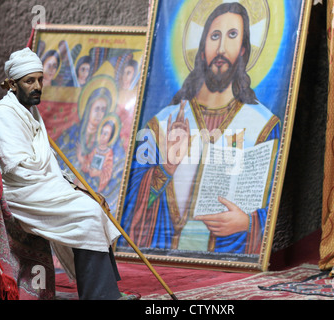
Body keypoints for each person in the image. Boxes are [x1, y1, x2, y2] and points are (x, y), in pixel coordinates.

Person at [119, 3, 281, 255]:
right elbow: (127, 204)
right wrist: (165, 169)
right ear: (201, 48)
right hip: (160, 259)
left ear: (244, 50)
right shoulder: (163, 123)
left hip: (228, 262)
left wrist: (249, 222)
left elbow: (272, 198)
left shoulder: (262, 125)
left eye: (232, 36)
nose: (221, 48)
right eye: (214, 36)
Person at [0, 47, 134, 300]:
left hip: (39, 186)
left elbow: (45, 163)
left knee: (94, 206)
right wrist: (70, 188)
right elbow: (20, 171)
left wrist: (77, 187)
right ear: (12, 84)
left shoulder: (30, 112)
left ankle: (107, 290)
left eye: (40, 79)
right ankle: (101, 295)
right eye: (29, 81)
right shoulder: (1, 115)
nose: (37, 86)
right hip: (19, 192)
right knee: (88, 213)